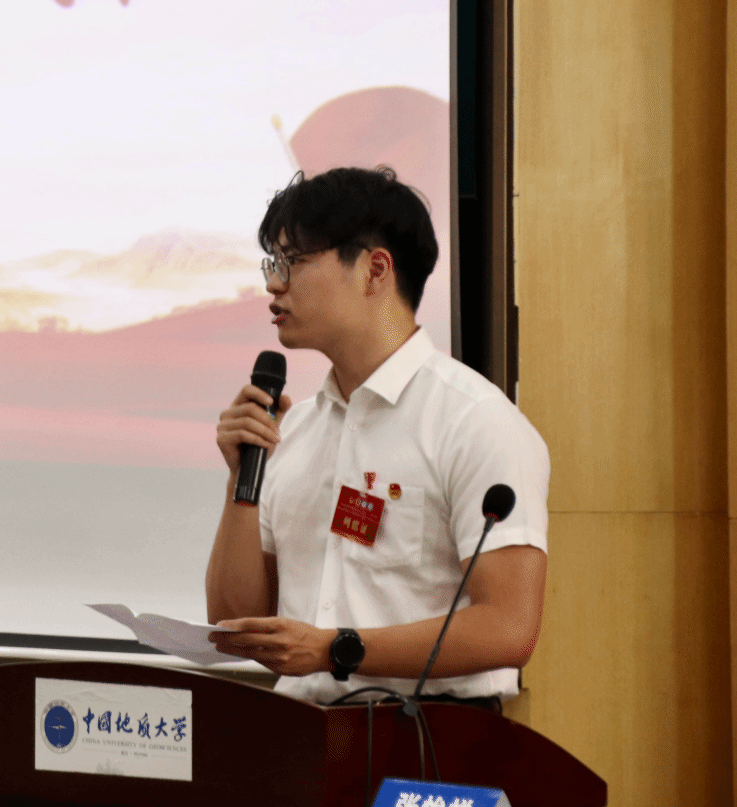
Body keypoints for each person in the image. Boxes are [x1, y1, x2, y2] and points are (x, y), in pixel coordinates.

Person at [205, 166, 549, 707]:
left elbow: (508, 627)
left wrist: (335, 650)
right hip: (302, 733)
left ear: (375, 270)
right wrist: (238, 483)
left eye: (293, 261)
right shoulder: (293, 430)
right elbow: (235, 624)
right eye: (272, 263)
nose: (273, 284)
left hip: (431, 734)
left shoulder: (474, 420)